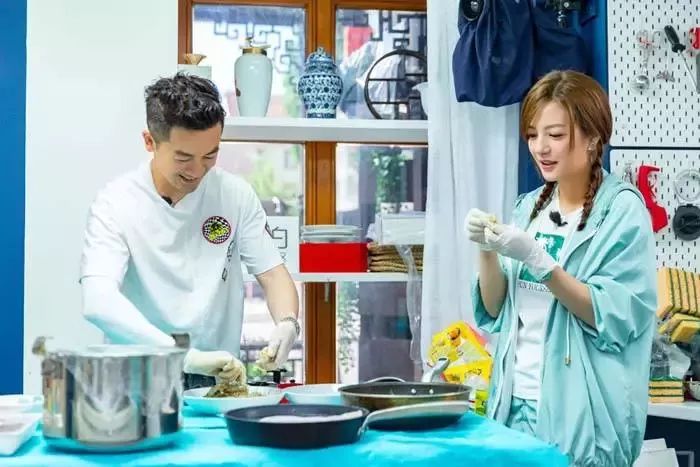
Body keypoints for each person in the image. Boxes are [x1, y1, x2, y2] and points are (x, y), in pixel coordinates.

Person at [465, 70, 657, 466]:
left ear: (592, 138)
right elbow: (497, 309)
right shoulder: (529, 207)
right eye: (532, 134)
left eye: (555, 134)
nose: (541, 147)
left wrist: (540, 261)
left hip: (581, 412)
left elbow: (613, 315)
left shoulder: (621, 211)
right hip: (513, 402)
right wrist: (486, 250)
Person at [79, 73, 300, 388]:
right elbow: (98, 301)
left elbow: (274, 275)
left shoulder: (234, 195)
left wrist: (287, 325)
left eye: (210, 155)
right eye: (183, 158)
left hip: (218, 378)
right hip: (137, 380)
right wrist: (184, 356)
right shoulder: (115, 203)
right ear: (150, 142)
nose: (197, 171)